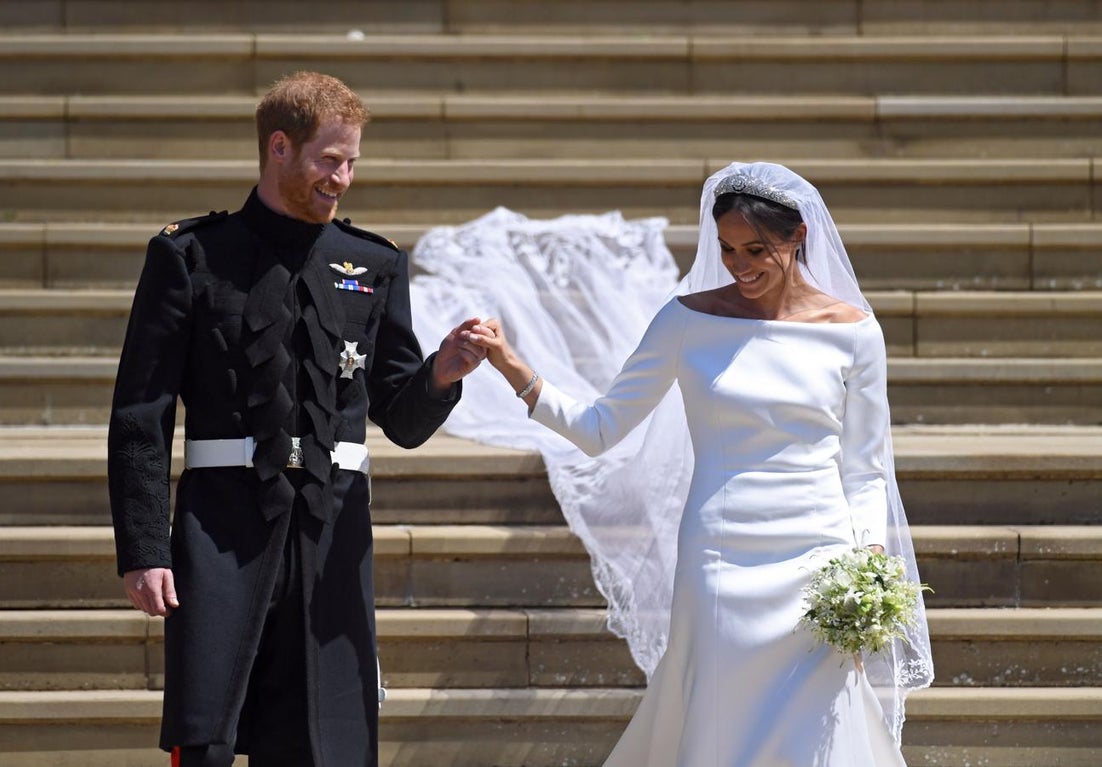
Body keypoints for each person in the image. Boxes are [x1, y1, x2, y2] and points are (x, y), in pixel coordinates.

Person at [466, 162, 932, 765]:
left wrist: (867, 566)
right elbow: (600, 429)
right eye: (727, 249)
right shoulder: (686, 320)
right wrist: (511, 366)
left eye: (756, 250)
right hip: (719, 555)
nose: (739, 265)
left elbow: (865, 471)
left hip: (821, 558)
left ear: (799, 237)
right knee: (718, 715)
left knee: (819, 726)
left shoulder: (857, 332)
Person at [107, 71, 486, 767]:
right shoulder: (190, 256)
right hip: (220, 531)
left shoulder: (373, 263)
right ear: (278, 147)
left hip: (332, 535)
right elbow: (141, 414)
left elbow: (401, 418)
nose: (343, 178)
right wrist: (144, 548)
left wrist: (441, 374)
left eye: (352, 162)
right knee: (207, 738)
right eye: (329, 160)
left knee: (328, 745)